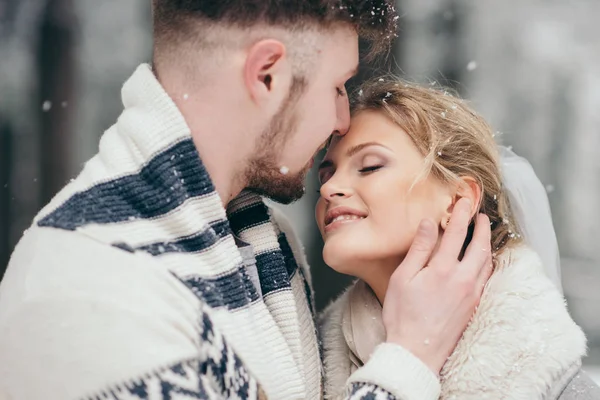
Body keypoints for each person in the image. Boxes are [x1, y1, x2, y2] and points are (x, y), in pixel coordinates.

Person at [0, 2, 493, 399]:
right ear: (267, 75)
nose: (342, 118)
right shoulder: (87, 296)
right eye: (337, 86)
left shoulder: (260, 242)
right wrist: (408, 359)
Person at [317, 78, 600, 399]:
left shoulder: (558, 386)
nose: (329, 189)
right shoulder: (304, 360)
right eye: (324, 176)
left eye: (369, 166)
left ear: (457, 200)